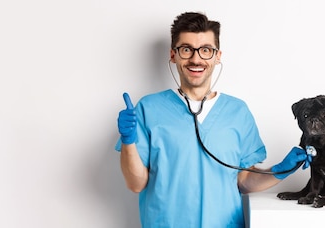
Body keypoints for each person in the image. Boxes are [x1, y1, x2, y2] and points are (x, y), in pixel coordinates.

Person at [115, 12, 310, 228]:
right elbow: (136, 184)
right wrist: (128, 141)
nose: (196, 59)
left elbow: (244, 181)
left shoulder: (237, 112)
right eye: (186, 49)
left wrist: (283, 168)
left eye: (206, 50)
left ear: (217, 56)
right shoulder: (148, 108)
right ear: (173, 55)